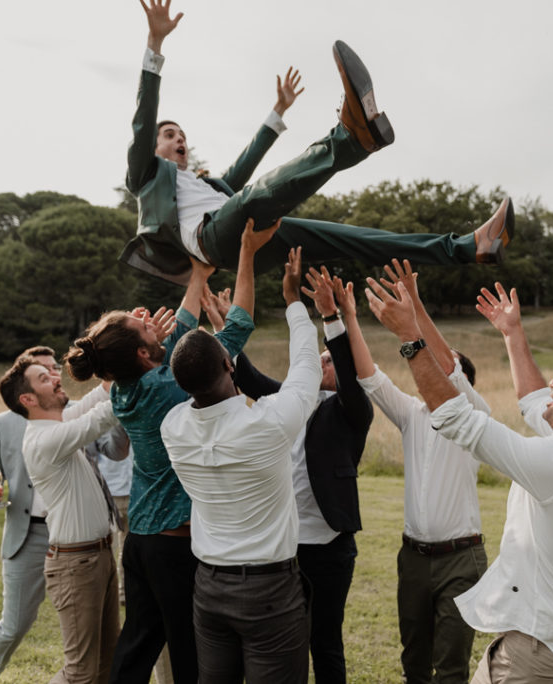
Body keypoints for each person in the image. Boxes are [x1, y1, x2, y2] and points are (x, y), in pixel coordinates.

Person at [120, 0, 514, 286]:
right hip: (216, 242)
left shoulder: (208, 185)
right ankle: (352, 138)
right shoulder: (147, 178)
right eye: (170, 135)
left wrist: (277, 112)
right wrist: (155, 45)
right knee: (255, 197)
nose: (179, 139)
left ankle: (469, 247)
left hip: (248, 236)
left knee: (349, 238)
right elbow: (143, 122)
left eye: (182, 135)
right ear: (156, 149)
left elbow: (245, 166)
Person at [364, 280, 553, 684]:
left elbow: (459, 420)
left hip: (537, 653)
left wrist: (410, 338)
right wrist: (513, 333)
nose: (552, 383)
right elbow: (534, 402)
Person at [64, 218, 277, 684]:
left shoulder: (125, 386)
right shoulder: (168, 385)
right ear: (144, 354)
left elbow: (181, 323)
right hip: (172, 547)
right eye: (139, 325)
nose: (146, 319)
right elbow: (237, 326)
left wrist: (198, 274)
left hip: (139, 539)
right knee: (189, 652)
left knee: (138, 644)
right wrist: (247, 253)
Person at [160, 246, 317, 683]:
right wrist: (294, 303)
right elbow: (306, 367)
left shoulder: (172, 427)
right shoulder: (265, 425)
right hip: (269, 590)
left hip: (209, 587)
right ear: (230, 364)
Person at [331, 260, 490, 683]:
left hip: (461, 559)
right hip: (414, 558)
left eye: (446, 368)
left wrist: (414, 305)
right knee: (413, 661)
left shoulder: (475, 416)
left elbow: (447, 366)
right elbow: (369, 376)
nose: (432, 371)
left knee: (451, 666)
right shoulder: (412, 414)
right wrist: (349, 314)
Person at [230, 266, 373, 684]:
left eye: (328, 360)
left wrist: (332, 320)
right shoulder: (288, 401)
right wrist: (227, 326)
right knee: (281, 640)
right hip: (282, 546)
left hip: (329, 546)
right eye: (321, 359)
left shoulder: (351, 410)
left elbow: (349, 374)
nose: (323, 363)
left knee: (325, 641)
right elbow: (246, 378)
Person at [0, 347, 129, 684]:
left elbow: (92, 402)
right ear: (28, 399)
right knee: (80, 672)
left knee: (106, 662)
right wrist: (130, 366)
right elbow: (104, 415)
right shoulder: (46, 438)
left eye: (54, 372)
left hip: (100, 555)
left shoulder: (58, 423)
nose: (57, 378)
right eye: (45, 378)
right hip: (77, 566)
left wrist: (112, 369)